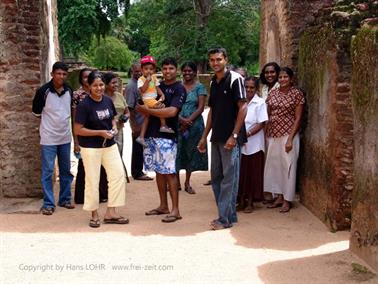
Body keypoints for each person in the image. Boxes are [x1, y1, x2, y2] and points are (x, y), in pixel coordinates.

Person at [197, 47, 247, 230]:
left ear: (226, 59)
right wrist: (204, 136)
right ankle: (229, 215)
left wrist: (234, 135)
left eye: (218, 59)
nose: (215, 63)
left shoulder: (235, 79)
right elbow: (212, 112)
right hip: (216, 137)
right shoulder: (213, 82)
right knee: (216, 177)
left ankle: (223, 219)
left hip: (230, 138)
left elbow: (243, 107)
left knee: (229, 178)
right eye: (212, 60)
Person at [74, 71, 128, 228]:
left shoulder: (107, 101)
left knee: (118, 176)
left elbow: (112, 118)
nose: (99, 88)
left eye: (101, 85)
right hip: (91, 148)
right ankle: (94, 213)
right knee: (92, 180)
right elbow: (78, 129)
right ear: (89, 86)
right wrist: (99, 132)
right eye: (95, 85)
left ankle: (111, 212)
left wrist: (113, 128)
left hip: (109, 145)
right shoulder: (84, 105)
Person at [136, 57, 186, 223]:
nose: (167, 71)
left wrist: (149, 110)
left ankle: (175, 209)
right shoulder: (156, 84)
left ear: (176, 70)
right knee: (158, 171)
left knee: (170, 172)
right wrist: (148, 109)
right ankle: (163, 205)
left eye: (171, 68)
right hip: (151, 134)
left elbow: (172, 112)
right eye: (165, 68)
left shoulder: (179, 88)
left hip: (167, 136)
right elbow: (138, 105)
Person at [32, 61, 74, 215]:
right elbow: (37, 113)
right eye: (58, 73)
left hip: (65, 137)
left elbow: (71, 112)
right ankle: (49, 203)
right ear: (52, 74)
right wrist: (46, 129)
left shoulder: (69, 90)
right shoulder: (43, 91)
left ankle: (64, 199)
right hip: (48, 138)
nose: (61, 76)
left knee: (66, 170)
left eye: (64, 74)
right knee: (48, 171)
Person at [264, 67, 305, 213]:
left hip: (288, 135)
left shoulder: (297, 94)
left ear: (291, 78)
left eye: (285, 77)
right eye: (280, 77)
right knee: (275, 166)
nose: (282, 79)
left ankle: (287, 200)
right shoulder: (273, 93)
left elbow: (298, 118)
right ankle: (279, 197)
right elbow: (267, 114)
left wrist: (290, 139)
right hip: (273, 134)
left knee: (288, 166)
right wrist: (266, 133)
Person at [72, 68, 108, 204]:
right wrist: (76, 141)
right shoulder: (78, 95)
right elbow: (75, 118)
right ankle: (81, 197)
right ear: (81, 79)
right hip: (85, 134)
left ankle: (102, 194)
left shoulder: (101, 94)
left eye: (89, 77)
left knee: (102, 166)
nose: (87, 79)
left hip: (101, 136)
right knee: (84, 167)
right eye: (85, 77)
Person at [176, 62, 208, 194]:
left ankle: (187, 182)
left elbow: (201, 107)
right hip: (177, 123)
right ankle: (176, 183)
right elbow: (172, 105)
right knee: (177, 152)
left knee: (190, 152)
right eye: (185, 71)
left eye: (190, 71)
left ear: (195, 72)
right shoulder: (178, 87)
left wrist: (188, 121)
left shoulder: (200, 87)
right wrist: (181, 120)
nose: (187, 73)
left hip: (194, 126)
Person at [237, 77, 268, 213]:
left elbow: (261, 123)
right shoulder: (239, 102)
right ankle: (241, 200)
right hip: (240, 143)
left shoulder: (260, 103)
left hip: (255, 144)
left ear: (256, 89)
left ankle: (250, 202)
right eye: (246, 87)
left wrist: (247, 134)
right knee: (241, 172)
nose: (249, 90)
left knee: (252, 173)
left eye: (252, 88)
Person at [136, 55, 174, 147]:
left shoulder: (154, 78)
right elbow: (143, 90)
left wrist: (162, 94)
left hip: (153, 99)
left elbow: (157, 88)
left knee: (147, 117)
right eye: (146, 69)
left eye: (151, 69)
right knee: (161, 107)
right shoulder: (141, 80)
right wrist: (147, 81)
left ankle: (141, 137)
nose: (149, 71)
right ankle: (163, 125)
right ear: (142, 70)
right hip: (147, 99)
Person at [124, 63, 153, 181]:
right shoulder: (132, 86)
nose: (139, 73)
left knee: (141, 148)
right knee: (137, 148)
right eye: (136, 71)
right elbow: (130, 107)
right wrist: (134, 126)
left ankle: (139, 171)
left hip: (144, 122)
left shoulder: (142, 82)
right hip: (138, 123)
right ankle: (137, 172)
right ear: (132, 71)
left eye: (139, 71)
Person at [103, 72, 130, 156]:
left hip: (119, 131)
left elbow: (127, 112)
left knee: (118, 154)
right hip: (105, 132)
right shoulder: (101, 98)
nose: (116, 85)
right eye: (113, 83)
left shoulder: (119, 96)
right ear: (106, 85)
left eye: (116, 82)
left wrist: (125, 117)